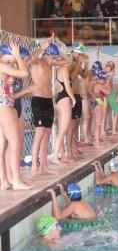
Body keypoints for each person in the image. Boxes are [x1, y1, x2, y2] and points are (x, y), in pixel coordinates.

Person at [20, 42, 70, 176]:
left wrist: (58, 53)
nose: (54, 60)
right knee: (39, 133)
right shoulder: (37, 62)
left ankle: (44, 166)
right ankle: (34, 167)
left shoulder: (50, 64)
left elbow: (67, 60)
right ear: (46, 55)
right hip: (38, 101)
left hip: (48, 101)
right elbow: (31, 57)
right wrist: (42, 48)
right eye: (52, 57)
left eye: (55, 58)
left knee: (47, 134)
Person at [0, 43, 30, 190]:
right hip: (3, 105)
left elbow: (24, 67)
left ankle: (4, 181)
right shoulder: (1, 65)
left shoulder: (6, 66)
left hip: (6, 104)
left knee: (3, 146)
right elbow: (25, 73)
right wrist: (17, 55)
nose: (15, 60)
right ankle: (16, 181)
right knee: (15, 141)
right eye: (13, 55)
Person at [50, 55, 75, 164]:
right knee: (63, 130)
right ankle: (55, 156)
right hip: (64, 100)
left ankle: (62, 156)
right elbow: (68, 87)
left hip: (60, 99)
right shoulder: (63, 69)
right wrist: (73, 99)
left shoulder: (59, 70)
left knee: (61, 130)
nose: (70, 62)